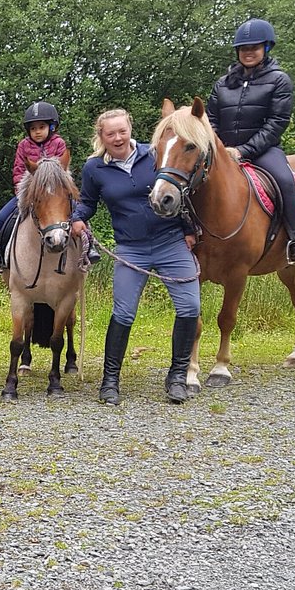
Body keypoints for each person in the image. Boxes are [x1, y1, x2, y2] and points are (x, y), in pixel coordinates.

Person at [70, 109, 200, 405]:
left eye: (122, 131)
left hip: (170, 242)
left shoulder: (154, 154)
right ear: (101, 137)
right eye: (110, 133)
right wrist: (77, 218)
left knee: (190, 306)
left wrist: (188, 229)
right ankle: (110, 381)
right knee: (124, 312)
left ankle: (177, 377)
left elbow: (180, 189)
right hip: (131, 248)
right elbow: (88, 203)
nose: (117, 137)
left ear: (130, 130)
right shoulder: (94, 168)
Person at [206, 18, 295, 265]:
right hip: (223, 150)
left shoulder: (279, 80)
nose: (248, 52)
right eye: (244, 48)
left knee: (285, 181)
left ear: (266, 48)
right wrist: (219, 147)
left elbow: (277, 122)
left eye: (254, 47)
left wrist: (243, 151)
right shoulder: (222, 84)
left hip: (262, 150)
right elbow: (210, 118)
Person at [0, 101, 71, 273]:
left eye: (41, 127)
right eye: (33, 128)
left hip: (55, 192)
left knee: (78, 211)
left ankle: (89, 245)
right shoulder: (24, 145)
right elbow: (18, 170)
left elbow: (64, 169)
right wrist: (21, 191)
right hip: (30, 192)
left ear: (52, 127)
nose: (37, 131)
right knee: (1, 218)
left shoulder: (59, 143)